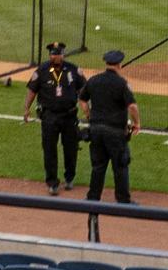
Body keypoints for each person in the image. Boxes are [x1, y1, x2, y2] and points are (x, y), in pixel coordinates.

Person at [21, 42, 84, 195]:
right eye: (54, 53)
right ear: (50, 55)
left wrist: (86, 108)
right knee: (49, 150)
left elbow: (83, 89)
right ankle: (52, 182)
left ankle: (69, 178)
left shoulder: (73, 70)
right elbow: (32, 90)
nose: (57, 56)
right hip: (49, 116)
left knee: (71, 148)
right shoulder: (42, 70)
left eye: (59, 53)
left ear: (63, 54)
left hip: (69, 115)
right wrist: (26, 108)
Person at [81, 50, 139, 204]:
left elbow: (82, 100)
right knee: (120, 166)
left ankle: (93, 198)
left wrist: (89, 115)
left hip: (96, 131)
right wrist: (137, 123)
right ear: (119, 64)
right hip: (115, 133)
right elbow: (132, 107)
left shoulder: (94, 80)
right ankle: (123, 200)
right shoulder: (122, 83)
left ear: (106, 63)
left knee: (98, 166)